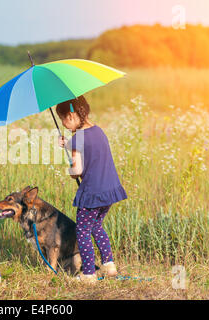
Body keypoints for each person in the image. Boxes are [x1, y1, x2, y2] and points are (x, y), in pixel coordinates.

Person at [56, 95, 127, 284]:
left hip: (92, 193)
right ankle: (109, 265)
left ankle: (88, 274)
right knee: (96, 226)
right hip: (109, 191)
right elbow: (92, 151)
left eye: (63, 120)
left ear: (70, 116)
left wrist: (70, 170)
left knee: (83, 230)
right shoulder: (98, 130)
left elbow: (77, 170)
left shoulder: (76, 138)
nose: (64, 125)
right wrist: (68, 144)